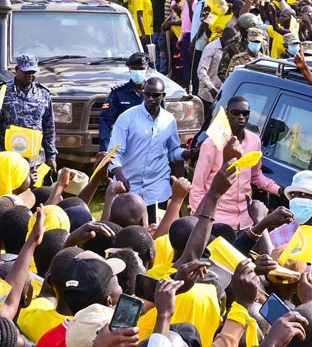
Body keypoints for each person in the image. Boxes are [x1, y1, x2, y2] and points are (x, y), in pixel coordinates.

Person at [189, 95, 281, 232]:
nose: (241, 117)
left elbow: (255, 175)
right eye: (236, 113)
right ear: (227, 115)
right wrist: (200, 221)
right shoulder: (212, 144)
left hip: (244, 220)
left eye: (245, 113)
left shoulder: (254, 141)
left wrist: (278, 190)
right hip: (217, 219)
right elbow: (197, 187)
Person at [109, 77, 185, 220]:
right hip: (128, 186)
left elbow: (173, 152)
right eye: (147, 94)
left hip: (157, 188)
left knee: (155, 232)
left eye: (155, 95)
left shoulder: (169, 120)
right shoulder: (127, 118)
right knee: (126, 233)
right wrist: (120, 176)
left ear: (163, 96)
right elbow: (113, 154)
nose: (150, 98)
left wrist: (187, 153)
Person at [0, 54, 56, 167]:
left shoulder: (43, 94)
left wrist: (51, 156)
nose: (30, 75)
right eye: (26, 72)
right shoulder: (2, 92)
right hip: (8, 158)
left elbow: (49, 127)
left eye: (33, 72)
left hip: (35, 161)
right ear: (17, 69)